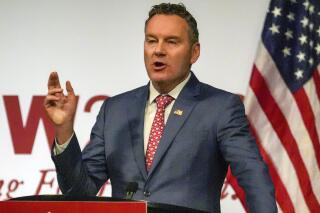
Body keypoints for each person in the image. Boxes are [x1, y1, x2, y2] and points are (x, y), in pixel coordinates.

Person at [44, 3, 277, 213]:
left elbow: (252, 175)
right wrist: (64, 130)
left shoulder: (220, 107)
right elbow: (79, 193)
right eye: (151, 40)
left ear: (194, 52)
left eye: (172, 41)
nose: (159, 50)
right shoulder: (114, 110)